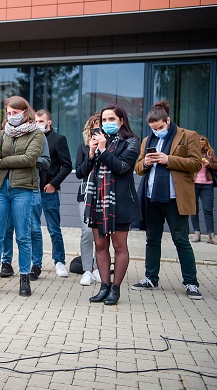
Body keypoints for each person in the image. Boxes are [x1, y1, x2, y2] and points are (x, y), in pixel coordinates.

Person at [131, 100, 203, 300]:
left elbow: (196, 164)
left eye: (160, 127)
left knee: (181, 240)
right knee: (152, 239)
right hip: (152, 197)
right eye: (153, 129)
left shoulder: (188, 136)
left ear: (168, 120)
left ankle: (191, 283)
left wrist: (168, 160)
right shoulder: (147, 140)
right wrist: (145, 162)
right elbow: (137, 168)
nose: (157, 131)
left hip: (175, 198)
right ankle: (150, 278)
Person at [80, 104, 141, 305]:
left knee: (119, 246)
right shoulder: (96, 142)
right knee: (100, 245)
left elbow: (121, 168)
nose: (107, 123)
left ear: (121, 121)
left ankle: (115, 288)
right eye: (104, 120)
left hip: (119, 203)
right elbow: (81, 172)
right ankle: (104, 287)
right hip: (98, 201)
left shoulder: (131, 142)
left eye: (111, 119)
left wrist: (104, 150)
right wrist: (91, 153)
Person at [0, 96, 44, 297]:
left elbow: (30, 159)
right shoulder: (2, 133)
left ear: (25, 112)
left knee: (23, 236)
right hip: (0, 187)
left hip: (23, 188)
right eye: (8, 113)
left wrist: (3, 162)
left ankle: (25, 279)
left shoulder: (36, 133)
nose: (11, 117)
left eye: (15, 113)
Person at [0, 130, 50, 281]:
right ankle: (6, 263)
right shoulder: (5, 134)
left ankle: (36, 265)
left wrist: (28, 159)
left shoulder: (37, 135)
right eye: (9, 113)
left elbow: (46, 161)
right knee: (6, 228)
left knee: (33, 228)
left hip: (30, 187)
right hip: (7, 186)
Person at [34, 109, 72, 279]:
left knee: (54, 229)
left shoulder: (58, 139)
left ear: (49, 122)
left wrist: (53, 184)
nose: (37, 124)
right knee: (33, 229)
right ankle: (36, 263)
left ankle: (59, 261)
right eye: (35, 121)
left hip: (49, 190)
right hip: (32, 189)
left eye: (41, 121)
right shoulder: (32, 138)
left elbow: (67, 165)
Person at [75, 114, 102, 286]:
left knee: (102, 234)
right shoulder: (83, 148)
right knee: (86, 232)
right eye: (94, 128)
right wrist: (91, 153)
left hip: (106, 195)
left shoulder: (112, 148)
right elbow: (79, 173)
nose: (97, 131)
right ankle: (87, 270)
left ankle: (100, 269)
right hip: (86, 194)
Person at [190, 134, 217, 244]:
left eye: (203, 143)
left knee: (208, 209)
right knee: (193, 209)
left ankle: (211, 235)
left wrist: (208, 164)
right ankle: (197, 233)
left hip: (207, 184)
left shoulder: (210, 152)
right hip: (194, 184)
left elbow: (216, 165)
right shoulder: (192, 152)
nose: (201, 145)